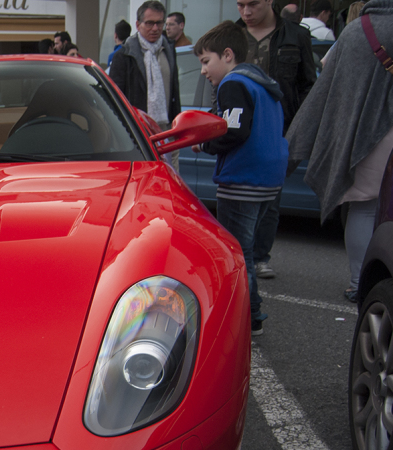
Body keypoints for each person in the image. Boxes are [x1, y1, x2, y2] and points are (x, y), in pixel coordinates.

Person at [286, 0, 393, 302]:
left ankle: (359, 281)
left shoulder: (357, 28)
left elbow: (327, 70)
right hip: (388, 128)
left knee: (363, 206)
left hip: (366, 134)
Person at [194, 21, 288, 337]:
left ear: (228, 55)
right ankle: (253, 313)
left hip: (243, 177)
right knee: (247, 251)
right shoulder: (263, 82)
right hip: (270, 178)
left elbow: (234, 130)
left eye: (206, 61)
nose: (204, 71)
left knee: (238, 253)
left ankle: (250, 317)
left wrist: (205, 142)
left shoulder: (233, 84)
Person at [236, 0, 316, 280]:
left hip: (280, 128)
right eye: (239, 4)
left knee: (270, 197)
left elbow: (308, 85)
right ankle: (240, 257)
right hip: (241, 127)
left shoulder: (296, 35)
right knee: (236, 196)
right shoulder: (233, 33)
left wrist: (298, 128)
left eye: (252, 4)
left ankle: (260, 257)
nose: (246, 12)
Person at [108, 1, 181, 165]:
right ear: (138, 24)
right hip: (137, 134)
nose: (155, 28)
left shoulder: (168, 50)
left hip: (167, 130)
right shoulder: (124, 56)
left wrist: (177, 126)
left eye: (159, 23)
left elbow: (174, 90)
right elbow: (115, 100)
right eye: (149, 23)